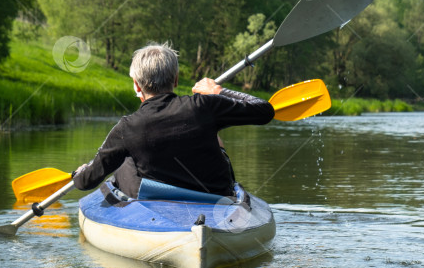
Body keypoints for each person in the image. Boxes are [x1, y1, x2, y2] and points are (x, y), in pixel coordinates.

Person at [72, 42, 274, 199]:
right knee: (217, 141)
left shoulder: (127, 127)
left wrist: (78, 173)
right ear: (176, 79)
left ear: (136, 85)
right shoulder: (205, 105)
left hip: (160, 199)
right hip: (215, 197)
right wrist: (218, 92)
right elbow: (265, 111)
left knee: (125, 161)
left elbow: (86, 181)